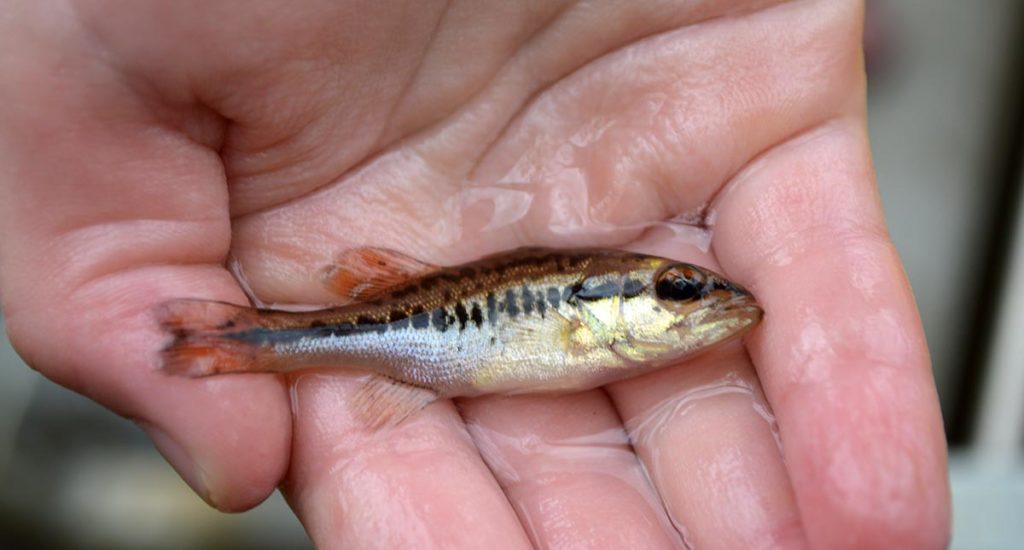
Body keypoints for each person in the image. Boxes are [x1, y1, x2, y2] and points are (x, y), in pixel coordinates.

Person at [0, 1, 950, 548]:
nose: (703, 303)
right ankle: (242, 342)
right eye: (676, 292)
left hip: (409, 339)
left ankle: (247, 341)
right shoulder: (588, 320)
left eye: (682, 289)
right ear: (603, 306)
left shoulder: (605, 320)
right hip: (403, 336)